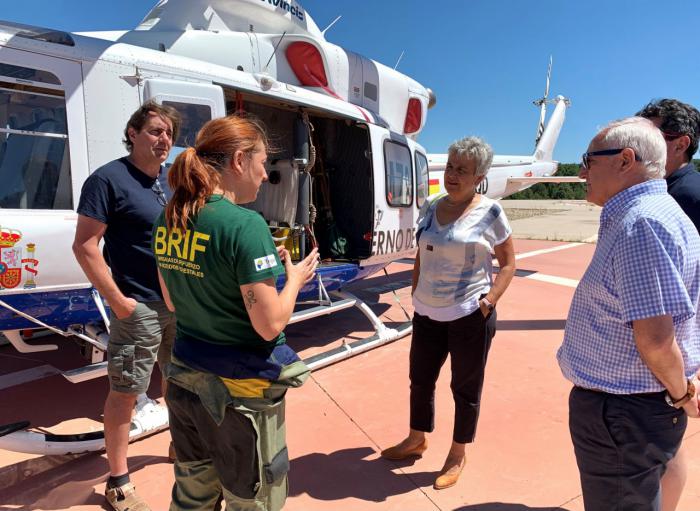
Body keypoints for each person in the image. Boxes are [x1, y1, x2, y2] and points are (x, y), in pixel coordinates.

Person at [152, 115, 318, 511]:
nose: (264, 176)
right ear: (240, 160)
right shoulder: (245, 225)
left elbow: (174, 301)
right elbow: (269, 324)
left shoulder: (170, 217)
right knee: (253, 497)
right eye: (263, 164)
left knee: (193, 494)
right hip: (239, 393)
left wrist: (252, 265)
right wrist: (294, 279)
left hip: (185, 379)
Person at [557, 117, 700, 510]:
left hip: (621, 414)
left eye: (588, 160)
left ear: (625, 160)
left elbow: (655, 340)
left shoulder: (640, 224)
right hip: (631, 411)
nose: (582, 171)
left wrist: (681, 394)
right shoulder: (655, 213)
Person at [380, 136, 516, 490]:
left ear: (479, 176)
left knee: (465, 389)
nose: (453, 175)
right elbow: (423, 254)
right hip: (427, 314)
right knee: (420, 381)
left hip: (469, 316)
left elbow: (508, 264)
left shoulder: (491, 212)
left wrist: (489, 302)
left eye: (463, 170)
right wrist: (414, 293)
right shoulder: (432, 206)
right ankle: (416, 438)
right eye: (451, 166)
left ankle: (457, 453)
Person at [72, 101, 180, 511]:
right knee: (126, 391)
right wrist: (118, 301)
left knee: (179, 380)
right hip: (139, 308)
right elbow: (85, 246)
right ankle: (117, 481)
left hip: (177, 305)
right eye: (154, 130)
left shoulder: (168, 182)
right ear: (133, 133)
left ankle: (180, 445)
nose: (163, 139)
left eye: (168, 132)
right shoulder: (108, 180)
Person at [637, 99, 700, 511]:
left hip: (670, 342)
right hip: (667, 341)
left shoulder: (686, 197)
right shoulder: (670, 192)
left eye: (651, 136)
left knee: (664, 444)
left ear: (680, 144)